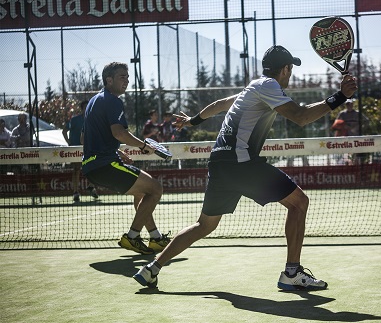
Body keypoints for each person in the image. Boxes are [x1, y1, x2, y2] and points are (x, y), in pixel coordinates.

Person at [133, 45, 357, 291]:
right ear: (284, 69)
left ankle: (152, 268)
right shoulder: (269, 86)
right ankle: (292, 272)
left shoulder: (253, 87)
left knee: (204, 225)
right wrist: (340, 96)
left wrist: (193, 120)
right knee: (299, 203)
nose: (290, 74)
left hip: (219, 162)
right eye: (290, 69)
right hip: (241, 162)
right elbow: (301, 117)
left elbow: (219, 104)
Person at [81, 62, 170, 254]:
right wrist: (144, 146)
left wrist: (117, 152)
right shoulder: (112, 100)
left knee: (141, 193)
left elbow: (86, 137)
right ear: (109, 80)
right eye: (122, 77)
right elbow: (119, 133)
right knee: (156, 188)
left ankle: (156, 238)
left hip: (92, 167)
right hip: (104, 165)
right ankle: (132, 237)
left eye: (127, 77)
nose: (127, 81)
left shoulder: (94, 101)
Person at [62, 100, 99, 202]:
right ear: (82, 109)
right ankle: (75, 192)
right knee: (76, 169)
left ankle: (91, 187)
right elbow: (64, 131)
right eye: (85, 107)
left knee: (93, 168)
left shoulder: (93, 120)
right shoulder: (74, 120)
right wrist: (69, 143)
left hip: (89, 149)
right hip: (76, 149)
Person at [330, 99, 370, 164]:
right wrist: (343, 126)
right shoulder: (342, 114)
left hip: (356, 136)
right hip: (345, 136)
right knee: (345, 151)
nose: (349, 106)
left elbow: (367, 121)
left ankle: (355, 163)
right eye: (347, 104)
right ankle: (347, 163)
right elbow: (336, 124)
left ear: (352, 105)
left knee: (356, 151)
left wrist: (360, 128)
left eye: (350, 104)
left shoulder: (357, 113)